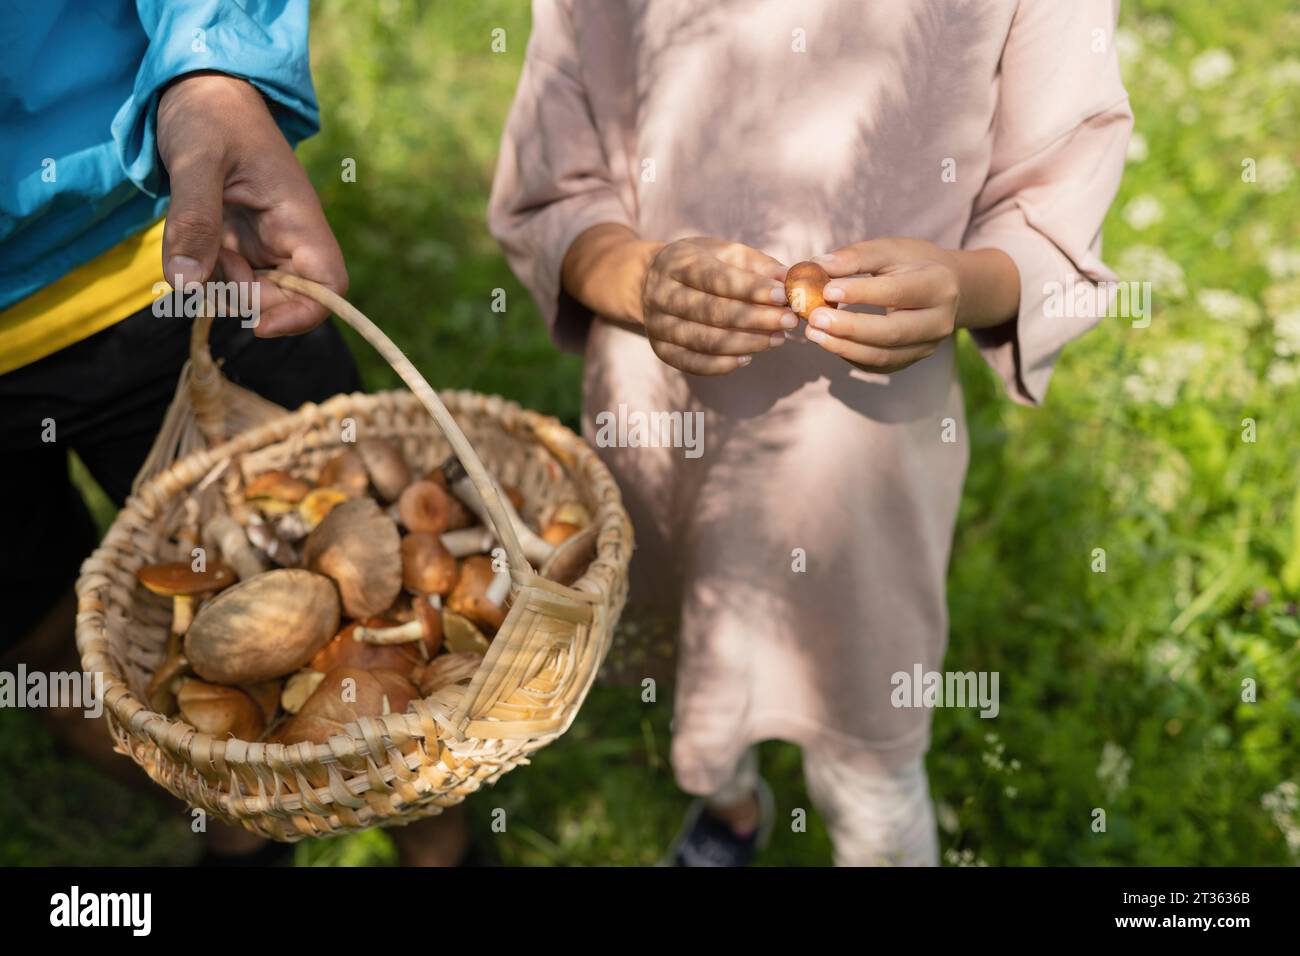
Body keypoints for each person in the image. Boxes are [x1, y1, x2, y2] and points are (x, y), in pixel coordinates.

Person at [490, 0, 1132, 865]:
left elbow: (1055, 187)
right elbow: (557, 172)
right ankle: (732, 808)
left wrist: (962, 283)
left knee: (862, 734)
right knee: (697, 640)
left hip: (863, 444)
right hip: (661, 400)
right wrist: (637, 277)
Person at [0, 1, 468, 866]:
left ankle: (438, 837)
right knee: (44, 650)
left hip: (169, 239)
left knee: (383, 602)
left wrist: (205, 73)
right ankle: (235, 817)